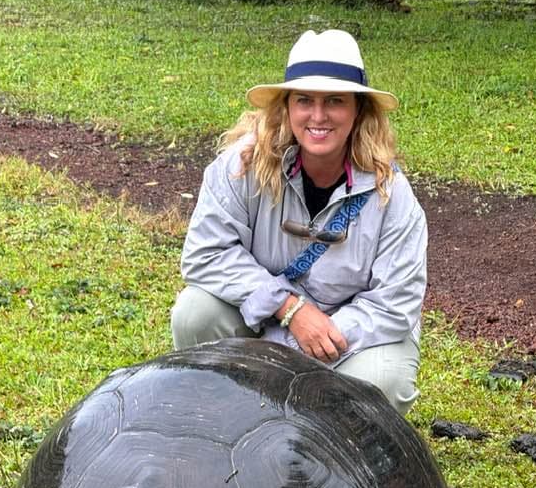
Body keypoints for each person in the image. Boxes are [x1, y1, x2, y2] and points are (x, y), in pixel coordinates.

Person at [170, 29, 426, 416]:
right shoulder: (240, 168)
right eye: (304, 100)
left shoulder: (393, 195)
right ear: (286, 106)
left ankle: (325, 452)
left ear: (358, 110)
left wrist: (313, 338)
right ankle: (220, 419)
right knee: (196, 312)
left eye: (335, 101)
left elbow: (395, 304)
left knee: (384, 380)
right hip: (265, 313)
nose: (318, 116)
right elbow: (206, 255)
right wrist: (289, 310)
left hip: (348, 337)